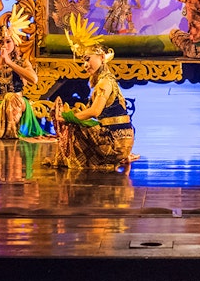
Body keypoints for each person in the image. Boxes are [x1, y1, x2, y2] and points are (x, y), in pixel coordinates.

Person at [49, 14, 136, 169]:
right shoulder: (107, 79)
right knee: (77, 117)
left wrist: (68, 117)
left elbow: (95, 112)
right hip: (122, 141)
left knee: (73, 125)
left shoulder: (104, 82)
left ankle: (78, 160)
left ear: (102, 57)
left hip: (114, 144)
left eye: (87, 59)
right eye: (83, 60)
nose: (85, 64)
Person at [0, 4, 49, 140]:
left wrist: (10, 63)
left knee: (11, 98)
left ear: (14, 43)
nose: (4, 45)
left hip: (19, 105)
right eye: (1, 41)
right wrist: (0, 64)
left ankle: (11, 131)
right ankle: (6, 132)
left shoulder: (23, 62)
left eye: (8, 41)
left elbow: (34, 79)